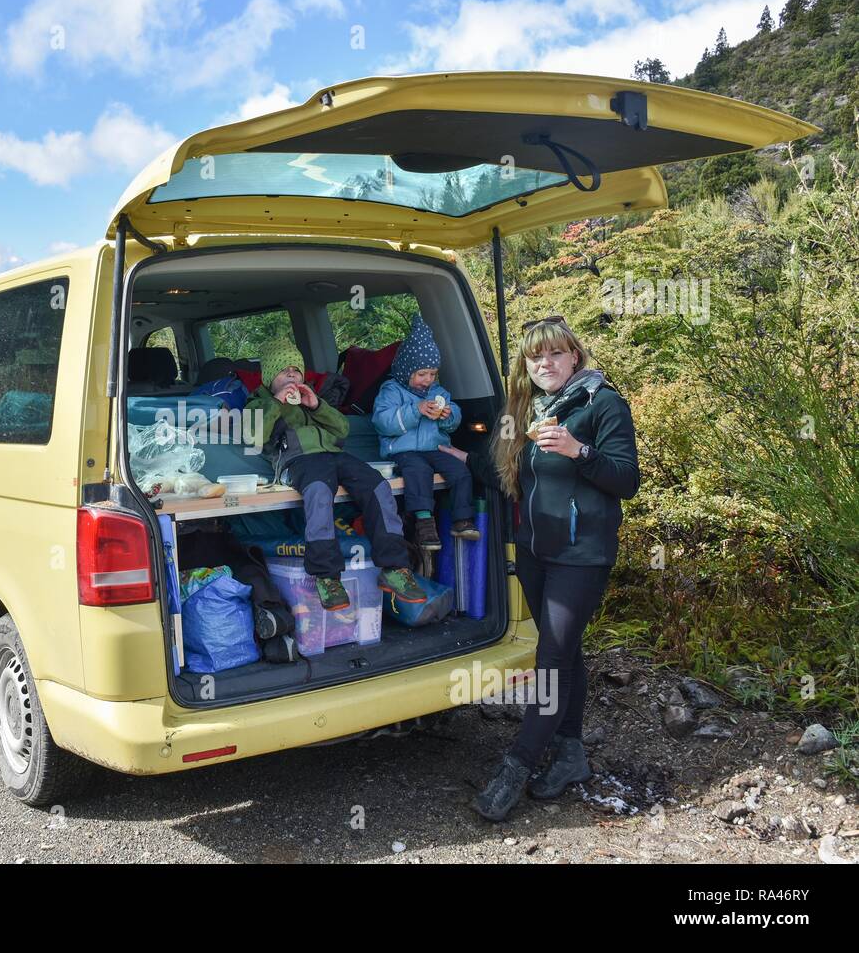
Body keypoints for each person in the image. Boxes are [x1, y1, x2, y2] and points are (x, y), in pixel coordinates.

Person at [438, 315, 640, 822]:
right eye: (535, 357)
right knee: (565, 655)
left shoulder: (603, 404)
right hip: (534, 553)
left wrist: (580, 451)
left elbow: (627, 479)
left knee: (550, 663)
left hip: (581, 557)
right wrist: (460, 456)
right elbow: (511, 474)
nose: (544, 363)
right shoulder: (527, 408)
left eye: (554, 354)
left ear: (575, 356)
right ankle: (571, 755)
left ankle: (515, 767)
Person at [245, 337, 429, 611]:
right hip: (299, 460)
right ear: (270, 377)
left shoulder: (311, 401)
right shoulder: (258, 403)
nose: (293, 375)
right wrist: (276, 402)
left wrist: (316, 405)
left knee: (377, 485)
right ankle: (327, 576)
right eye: (285, 371)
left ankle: (394, 567)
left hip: (334, 456)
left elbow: (342, 430)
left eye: (296, 370)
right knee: (319, 491)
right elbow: (254, 437)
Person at [372, 312, 481, 562]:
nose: (428, 380)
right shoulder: (391, 390)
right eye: (422, 374)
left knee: (460, 471)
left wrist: (448, 415)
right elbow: (382, 421)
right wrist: (416, 410)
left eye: (432, 374)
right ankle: (424, 525)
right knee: (418, 472)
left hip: (435, 448)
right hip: (403, 450)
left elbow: (454, 424)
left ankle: (462, 519)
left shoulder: (439, 391)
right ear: (406, 370)